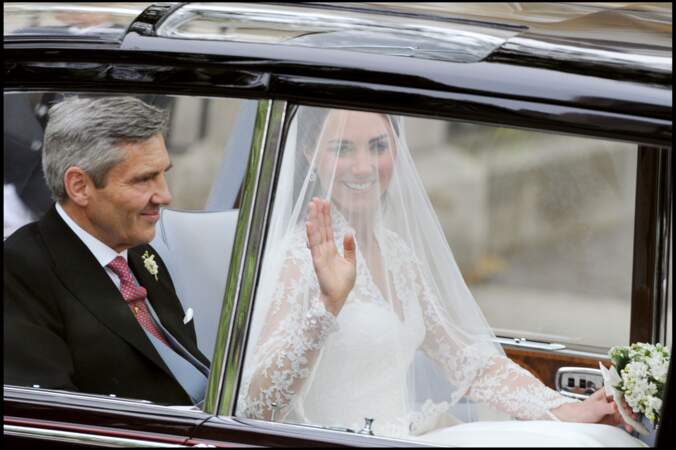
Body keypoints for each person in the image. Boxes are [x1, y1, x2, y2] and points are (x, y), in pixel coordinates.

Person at [236, 106, 641, 444]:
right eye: (343, 149)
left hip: (404, 435)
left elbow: (468, 360)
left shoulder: (396, 253)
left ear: (397, 147)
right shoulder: (298, 258)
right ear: (310, 152)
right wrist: (326, 309)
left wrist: (561, 408)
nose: (363, 166)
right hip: (340, 442)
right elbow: (257, 405)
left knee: (594, 441)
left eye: (378, 147)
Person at [4, 96, 209, 405]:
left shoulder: (140, 253)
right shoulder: (19, 270)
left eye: (163, 173)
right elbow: (53, 417)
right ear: (80, 186)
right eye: (143, 179)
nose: (165, 195)